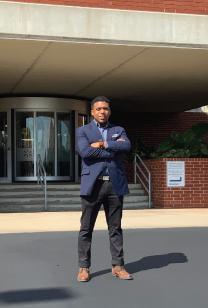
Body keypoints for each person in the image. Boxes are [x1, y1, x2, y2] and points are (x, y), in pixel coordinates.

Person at [76, 96, 133, 282]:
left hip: (114, 185)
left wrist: (103, 144)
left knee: (115, 228)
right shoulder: (83, 131)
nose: (102, 112)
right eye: (99, 109)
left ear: (109, 111)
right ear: (92, 112)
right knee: (86, 229)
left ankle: (118, 266)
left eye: (105, 109)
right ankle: (84, 267)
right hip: (93, 185)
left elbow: (126, 146)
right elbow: (85, 152)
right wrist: (112, 150)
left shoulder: (118, 130)